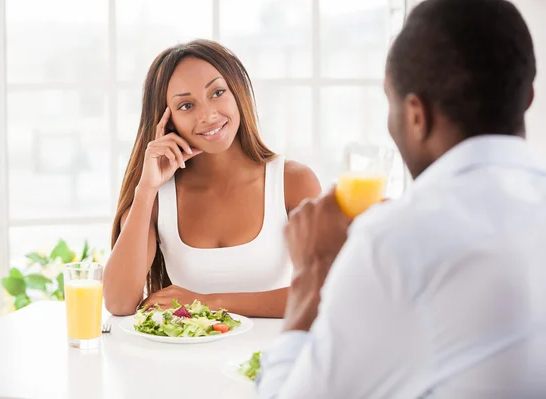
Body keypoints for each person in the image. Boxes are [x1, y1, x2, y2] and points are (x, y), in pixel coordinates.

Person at [258, 0, 546, 397]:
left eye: (389, 102)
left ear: (416, 115)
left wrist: (311, 272)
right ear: (528, 97)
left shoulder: (393, 240)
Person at [103, 39, 321, 317]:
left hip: (269, 358)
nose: (208, 115)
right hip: (186, 360)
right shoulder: (158, 198)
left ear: (237, 92)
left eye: (217, 92)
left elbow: (323, 293)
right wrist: (146, 189)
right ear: (167, 121)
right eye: (185, 106)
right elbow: (118, 303)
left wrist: (208, 302)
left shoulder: (292, 182)